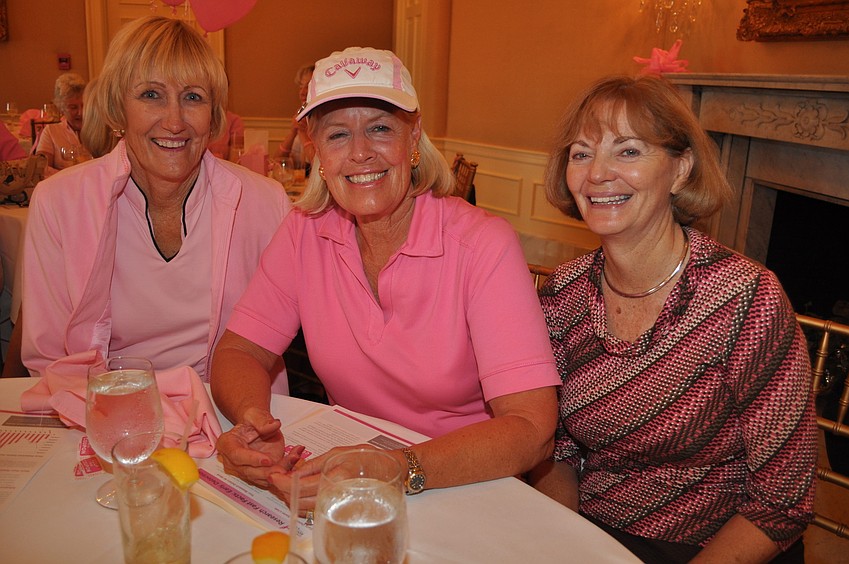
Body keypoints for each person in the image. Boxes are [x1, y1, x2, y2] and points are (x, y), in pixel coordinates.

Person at [211, 47, 559, 506]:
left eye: (379, 128)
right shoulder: (304, 231)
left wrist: (398, 468)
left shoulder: (482, 245)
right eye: (338, 135)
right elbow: (239, 350)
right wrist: (252, 422)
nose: (360, 153)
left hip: (467, 482)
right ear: (315, 149)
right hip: (348, 470)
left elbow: (532, 429)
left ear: (413, 137)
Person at [528, 74, 817, 563]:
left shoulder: (746, 299)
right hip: (596, 534)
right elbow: (556, 451)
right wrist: (566, 544)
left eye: (628, 151)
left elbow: (781, 501)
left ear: (681, 170)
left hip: (718, 545)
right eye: (581, 153)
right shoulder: (562, 294)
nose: (597, 173)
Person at [21, 16, 291, 390]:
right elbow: (47, 358)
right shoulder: (59, 203)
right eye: (151, 95)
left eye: (193, 97)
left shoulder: (264, 203)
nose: (175, 121)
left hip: (232, 413)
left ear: (214, 117)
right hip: (104, 410)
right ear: (119, 107)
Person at [35, 73, 92, 174]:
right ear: (61, 108)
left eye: (84, 105)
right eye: (73, 107)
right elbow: (41, 167)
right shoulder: (51, 132)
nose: (81, 112)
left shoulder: (97, 130)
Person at [275, 64, 315, 168]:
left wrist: (302, 133)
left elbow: (318, 165)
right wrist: (293, 132)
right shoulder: (302, 117)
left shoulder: (325, 120)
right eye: (301, 87)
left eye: (308, 86)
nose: (302, 92)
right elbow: (277, 162)